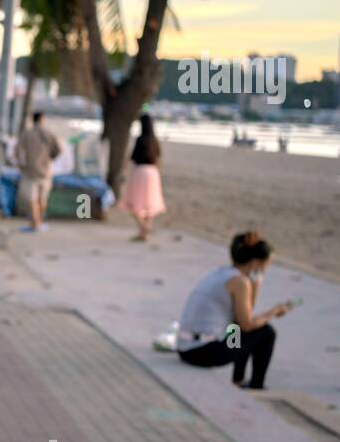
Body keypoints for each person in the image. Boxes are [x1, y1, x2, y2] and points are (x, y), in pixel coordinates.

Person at [176, 231, 295, 390]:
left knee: (242, 328)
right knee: (266, 332)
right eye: (266, 264)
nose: (266, 268)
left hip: (187, 348)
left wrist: (256, 284)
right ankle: (256, 385)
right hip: (202, 352)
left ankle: (238, 380)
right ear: (255, 263)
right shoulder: (240, 282)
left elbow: (244, 318)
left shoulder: (222, 273)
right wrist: (273, 312)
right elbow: (247, 324)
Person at [13, 111, 62, 232]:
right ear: (42, 119)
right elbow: (58, 150)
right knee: (42, 198)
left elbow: (18, 151)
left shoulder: (26, 134)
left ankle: (35, 223)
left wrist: (21, 166)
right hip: (46, 171)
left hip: (30, 171)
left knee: (32, 199)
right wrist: (49, 159)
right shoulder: (49, 134)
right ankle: (38, 221)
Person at [122, 112, 166, 241]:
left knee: (134, 203)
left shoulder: (140, 139)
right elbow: (159, 159)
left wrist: (123, 171)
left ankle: (143, 228)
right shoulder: (155, 140)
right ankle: (144, 232)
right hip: (153, 173)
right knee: (149, 205)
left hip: (140, 172)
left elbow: (132, 158)